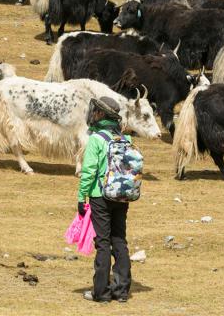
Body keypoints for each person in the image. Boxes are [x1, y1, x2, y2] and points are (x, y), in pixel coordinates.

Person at [77, 96, 131, 303]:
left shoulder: (97, 139)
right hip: (122, 195)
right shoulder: (126, 139)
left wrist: (82, 198)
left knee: (103, 243)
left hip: (100, 196)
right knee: (119, 240)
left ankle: (101, 292)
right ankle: (122, 290)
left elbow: (89, 172)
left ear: (100, 114)